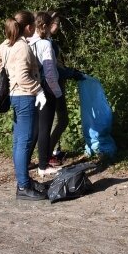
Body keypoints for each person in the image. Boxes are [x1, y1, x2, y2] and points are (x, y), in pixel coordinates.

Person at [0, 11, 48, 201]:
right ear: (29, 27)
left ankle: (25, 181)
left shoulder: (9, 44)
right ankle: (23, 186)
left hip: (16, 96)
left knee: (19, 141)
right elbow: (23, 77)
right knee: (24, 142)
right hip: (24, 97)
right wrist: (38, 90)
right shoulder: (21, 47)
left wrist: (7, 70)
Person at [28, 11, 64, 177]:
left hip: (32, 87)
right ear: (46, 26)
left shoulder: (28, 42)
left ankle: (28, 161)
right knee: (45, 128)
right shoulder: (45, 45)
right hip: (46, 88)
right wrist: (57, 92)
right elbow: (50, 73)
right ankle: (43, 165)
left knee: (36, 127)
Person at [47, 12, 84, 165]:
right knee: (61, 119)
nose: (58, 26)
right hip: (54, 85)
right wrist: (71, 73)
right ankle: (47, 153)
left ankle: (52, 151)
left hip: (56, 83)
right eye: (56, 23)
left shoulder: (48, 42)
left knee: (56, 119)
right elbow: (52, 69)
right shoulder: (47, 44)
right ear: (49, 24)